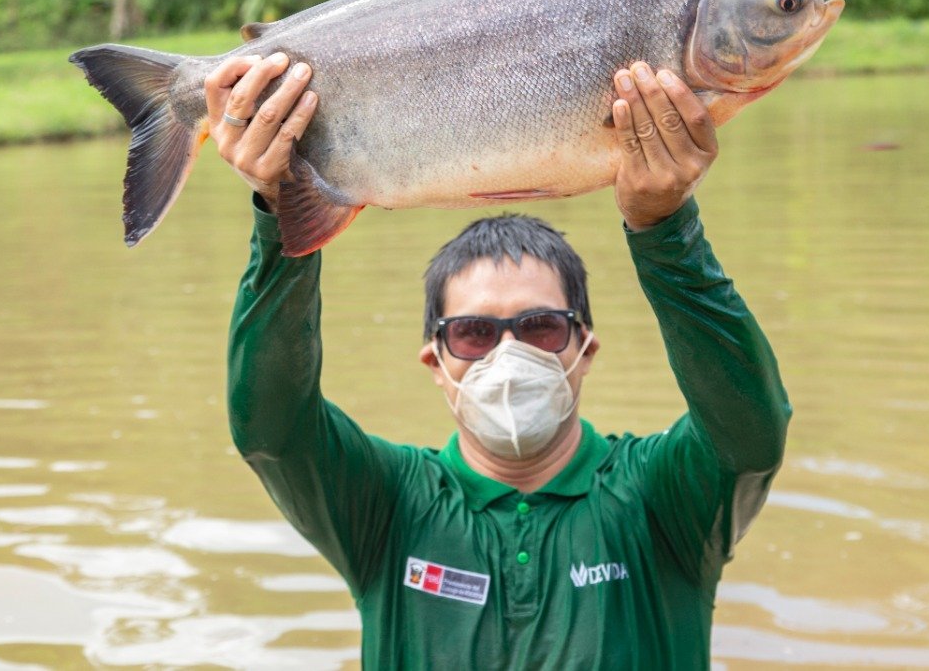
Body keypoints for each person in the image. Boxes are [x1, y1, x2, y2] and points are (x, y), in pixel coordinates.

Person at [203, 52, 791, 669]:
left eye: (540, 327)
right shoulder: (387, 505)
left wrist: (664, 227)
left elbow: (748, 433)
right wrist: (283, 208)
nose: (507, 353)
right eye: (474, 333)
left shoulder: (657, 499)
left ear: (584, 348)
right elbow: (272, 429)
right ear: (436, 361)